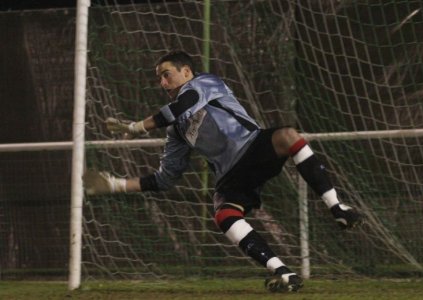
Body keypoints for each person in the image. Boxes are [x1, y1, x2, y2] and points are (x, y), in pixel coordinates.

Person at [84, 50, 364, 292]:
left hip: (253, 146)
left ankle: (337, 207)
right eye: (159, 78)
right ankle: (282, 272)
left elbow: (181, 106)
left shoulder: (204, 83)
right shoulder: (176, 131)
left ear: (187, 72)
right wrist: (115, 185)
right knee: (223, 214)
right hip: (232, 174)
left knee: (288, 135)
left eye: (167, 75)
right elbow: (166, 178)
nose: (162, 82)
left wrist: (136, 127)